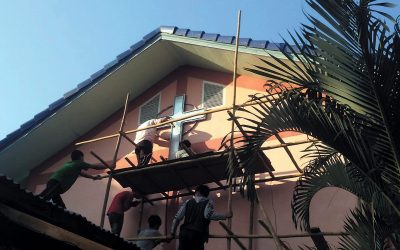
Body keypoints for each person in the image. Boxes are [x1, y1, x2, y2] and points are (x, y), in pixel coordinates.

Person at [169, 185, 232, 250]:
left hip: (184, 234)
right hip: (197, 234)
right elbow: (207, 215)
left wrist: (172, 233)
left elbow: (177, 218)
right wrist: (225, 216)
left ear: (197, 193)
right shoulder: (208, 202)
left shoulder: (188, 202)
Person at [39, 150, 107, 208]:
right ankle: (35, 203)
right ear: (80, 157)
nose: (83, 159)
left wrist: (93, 177)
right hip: (57, 182)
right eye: (83, 158)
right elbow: (96, 167)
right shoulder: (79, 163)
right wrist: (108, 165)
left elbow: (82, 173)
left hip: (54, 181)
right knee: (45, 197)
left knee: (59, 204)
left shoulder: (71, 164)